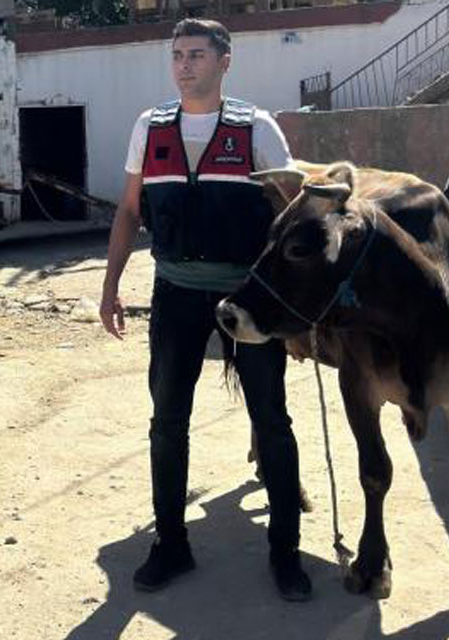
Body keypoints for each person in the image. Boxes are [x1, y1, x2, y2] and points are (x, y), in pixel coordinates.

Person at [97, 19, 311, 600]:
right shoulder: (150, 127)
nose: (184, 64)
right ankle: (171, 545)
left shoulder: (256, 128)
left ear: (224, 62)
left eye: (196, 54)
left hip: (247, 296)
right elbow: (129, 211)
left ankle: (285, 554)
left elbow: (295, 217)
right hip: (175, 294)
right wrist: (110, 284)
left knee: (272, 420)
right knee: (167, 422)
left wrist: (294, 304)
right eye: (177, 55)